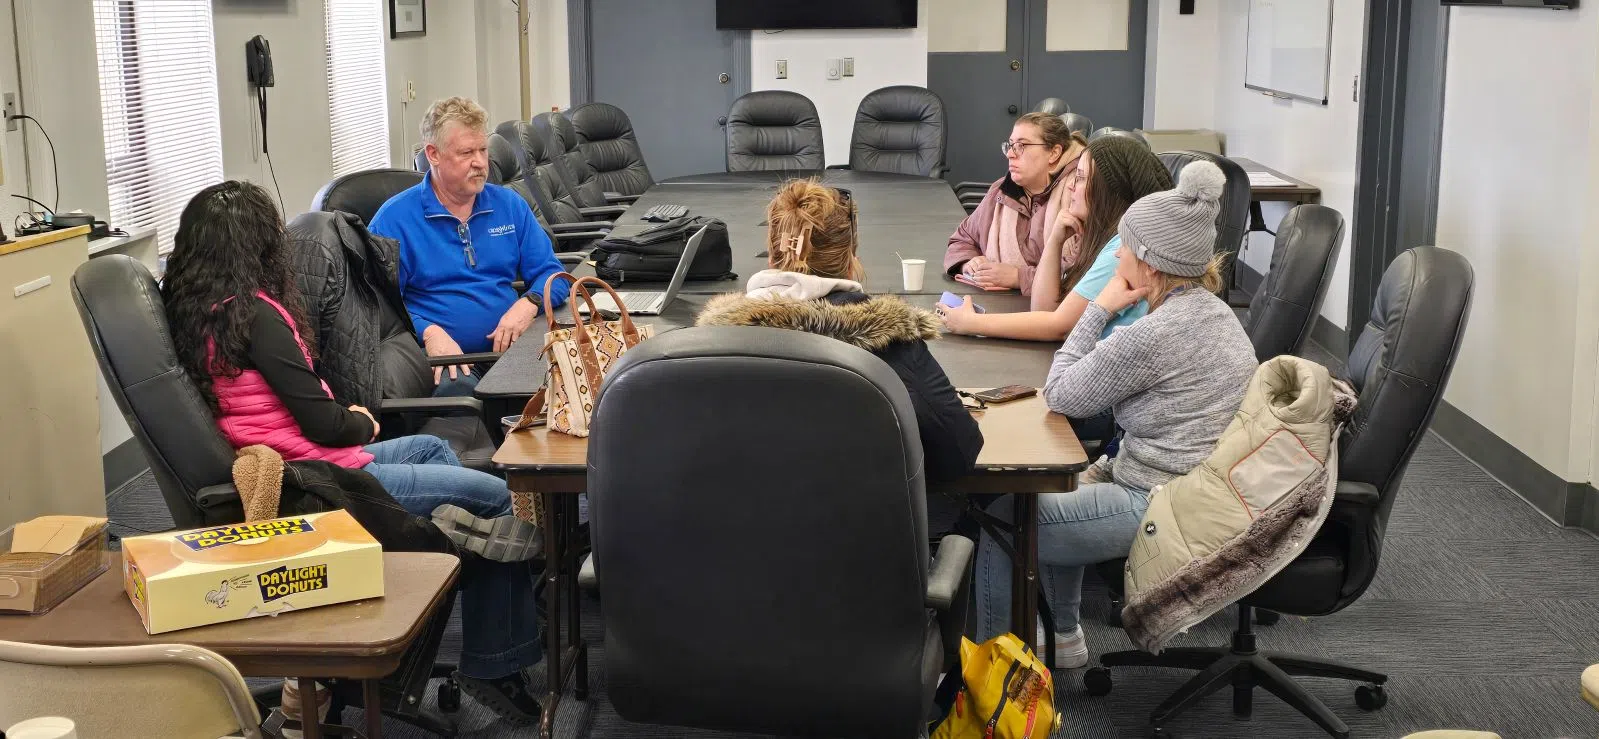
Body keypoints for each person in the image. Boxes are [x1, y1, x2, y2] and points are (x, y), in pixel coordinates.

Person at [163, 181, 547, 725]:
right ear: (258, 245)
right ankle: (491, 664)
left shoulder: (200, 310)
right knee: (496, 494)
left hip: (303, 457)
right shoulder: (257, 315)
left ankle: (439, 543)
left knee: (434, 446)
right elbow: (324, 421)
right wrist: (361, 422)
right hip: (321, 478)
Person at [973, 162, 1258, 669]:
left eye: (1124, 246)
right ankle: (1062, 638)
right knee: (1059, 486)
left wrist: (1099, 308)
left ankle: (998, 675)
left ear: (1147, 262)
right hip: (1204, 489)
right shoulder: (1214, 312)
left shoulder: (1156, 334)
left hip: (1162, 502)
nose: (1118, 253)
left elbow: (1060, 392)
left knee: (1006, 520)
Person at [697, 179, 984, 482]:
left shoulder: (710, 345)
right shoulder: (890, 339)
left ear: (772, 257)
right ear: (851, 259)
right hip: (863, 524)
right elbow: (959, 452)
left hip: (739, 524)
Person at [369, 96, 570, 397]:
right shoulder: (394, 220)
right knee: (463, 403)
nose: (479, 162)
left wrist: (528, 304)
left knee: (568, 385)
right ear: (433, 154)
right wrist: (428, 331)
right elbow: (379, 307)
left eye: (483, 150)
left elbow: (553, 276)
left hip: (514, 350)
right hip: (449, 361)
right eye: (466, 153)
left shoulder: (508, 205)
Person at [938, 135, 1173, 343]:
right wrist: (1055, 241)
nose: (1071, 186)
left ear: (1106, 190)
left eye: (1080, 178)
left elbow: (1058, 326)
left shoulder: (1122, 248)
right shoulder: (1108, 239)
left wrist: (971, 323)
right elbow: (1043, 308)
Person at [943, 113, 1086, 295]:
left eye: (1021, 146)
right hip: (999, 307)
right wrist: (969, 262)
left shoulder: (1079, 195)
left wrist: (1019, 277)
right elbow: (963, 239)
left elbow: (1083, 275)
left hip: (1054, 315)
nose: (1010, 154)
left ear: (1054, 152)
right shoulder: (1000, 192)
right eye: (1010, 145)